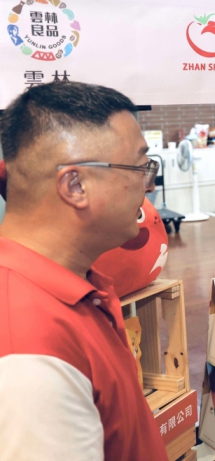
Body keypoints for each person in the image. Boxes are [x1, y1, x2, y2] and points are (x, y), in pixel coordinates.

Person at [0, 82, 167, 460]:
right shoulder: (29, 353)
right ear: (75, 185)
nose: (149, 186)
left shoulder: (76, 286)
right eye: (140, 167)